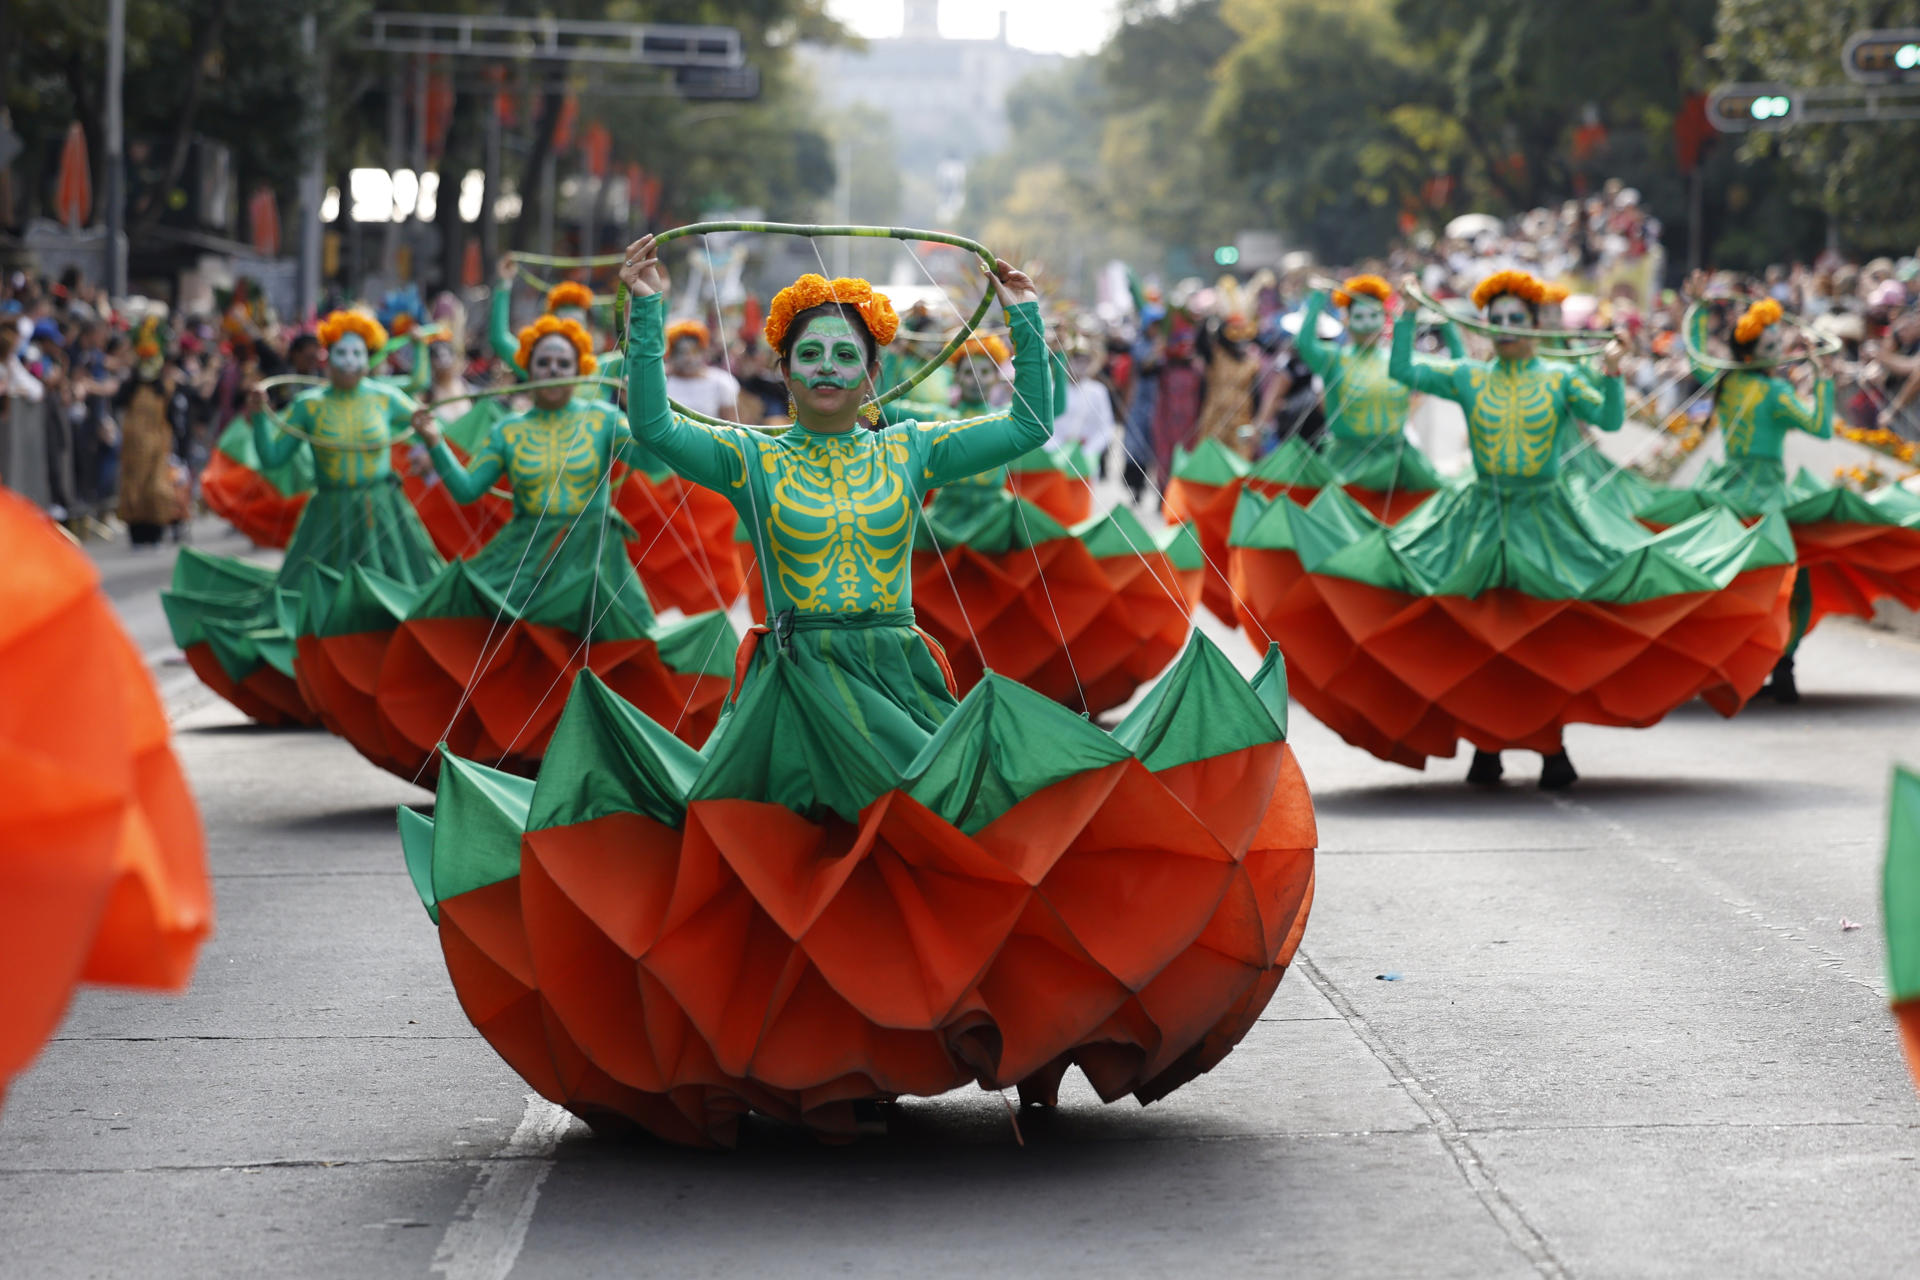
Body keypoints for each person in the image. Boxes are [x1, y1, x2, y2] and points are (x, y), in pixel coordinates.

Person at [620, 237, 1051, 757]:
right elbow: (652, 427)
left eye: (846, 354)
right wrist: (646, 311)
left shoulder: (911, 448)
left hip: (896, 687)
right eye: (809, 354)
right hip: (794, 689)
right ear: (784, 371)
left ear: (872, 376)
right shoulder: (751, 457)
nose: (827, 366)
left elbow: (1029, 425)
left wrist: (1025, 320)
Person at [163, 311, 443, 724]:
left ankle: (400, 686)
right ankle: (322, 689)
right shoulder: (308, 405)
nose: (349, 361)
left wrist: (428, 444)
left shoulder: (384, 397)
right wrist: (259, 416)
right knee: (311, 604)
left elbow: (422, 410)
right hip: (327, 517)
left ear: (368, 357)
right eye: (341, 353)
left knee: (402, 596)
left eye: (358, 353)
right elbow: (274, 456)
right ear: (326, 358)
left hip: (383, 515)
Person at [662, 318, 740, 422]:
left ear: (704, 351)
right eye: (681, 352)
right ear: (671, 353)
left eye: (694, 351)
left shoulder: (721, 382)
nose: (688, 358)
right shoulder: (661, 380)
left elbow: (732, 428)